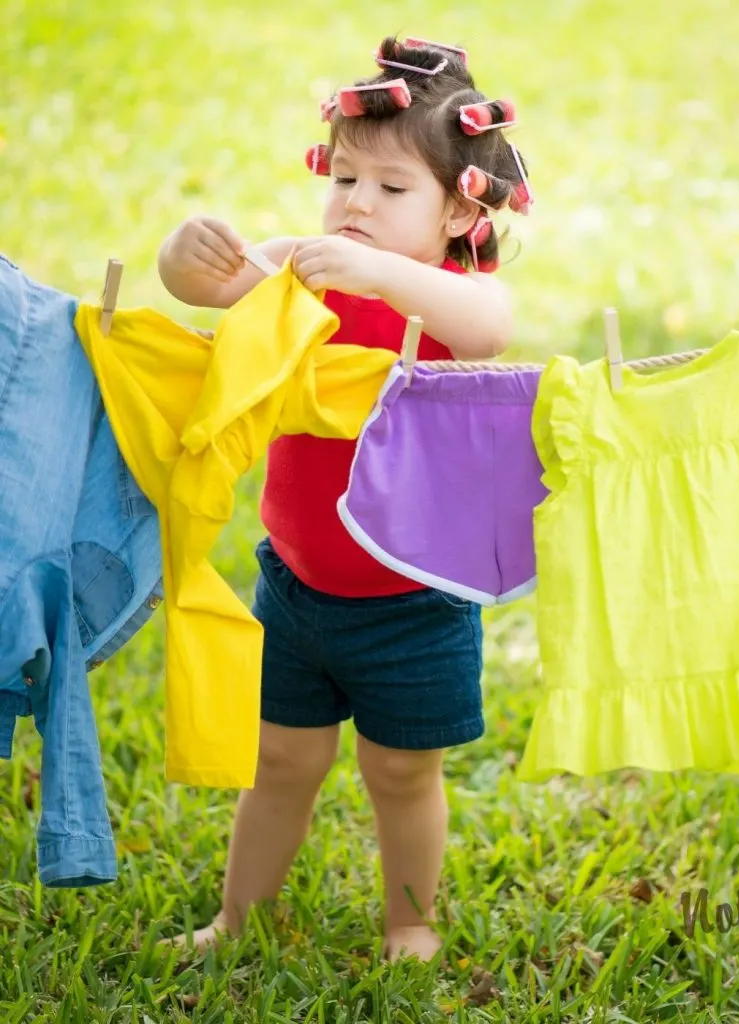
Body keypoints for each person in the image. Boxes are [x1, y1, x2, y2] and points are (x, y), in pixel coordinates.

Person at [155, 34, 531, 961]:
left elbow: (492, 330)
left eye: (392, 190)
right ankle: (238, 919)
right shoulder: (302, 266)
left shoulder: (444, 298)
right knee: (279, 761)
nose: (356, 206)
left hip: (416, 597)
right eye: (346, 179)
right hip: (298, 585)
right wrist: (185, 252)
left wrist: (379, 275)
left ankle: (410, 920)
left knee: (402, 771)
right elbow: (205, 287)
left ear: (456, 214)